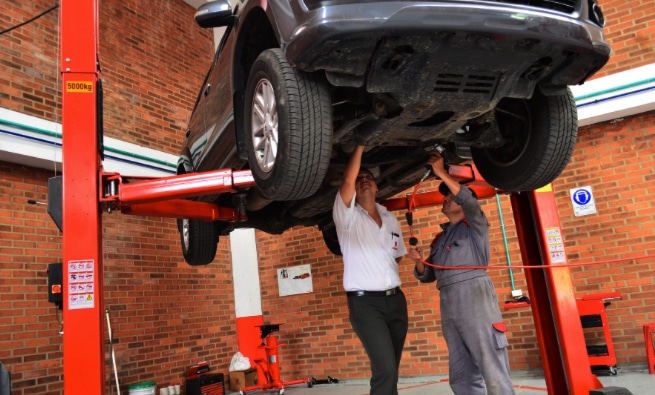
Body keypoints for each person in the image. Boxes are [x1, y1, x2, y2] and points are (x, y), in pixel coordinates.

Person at [408, 152, 515, 395]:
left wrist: (442, 173)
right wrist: (419, 262)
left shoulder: (475, 225)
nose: (444, 200)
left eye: (449, 196)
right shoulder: (440, 238)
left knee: (491, 367)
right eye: (444, 196)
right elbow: (429, 276)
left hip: (475, 297)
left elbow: (470, 202)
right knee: (461, 373)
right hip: (449, 302)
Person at [332, 144, 409, 395]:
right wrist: (361, 145)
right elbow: (346, 179)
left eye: (370, 178)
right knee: (385, 369)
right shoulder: (346, 217)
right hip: (366, 305)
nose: (365, 181)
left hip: (396, 300)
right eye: (361, 178)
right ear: (355, 187)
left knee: (390, 370)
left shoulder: (390, 218)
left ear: (377, 187)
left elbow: (396, 256)